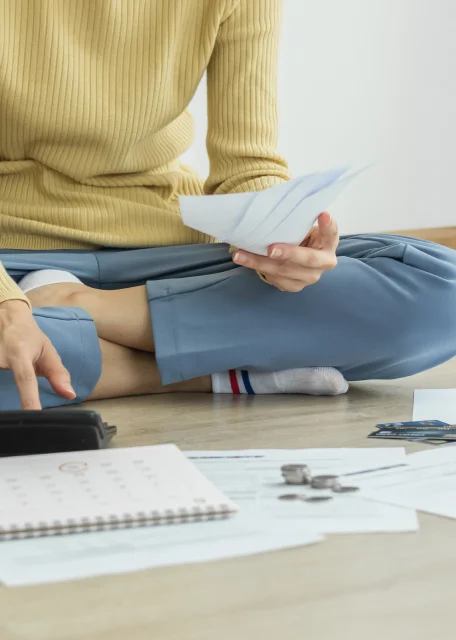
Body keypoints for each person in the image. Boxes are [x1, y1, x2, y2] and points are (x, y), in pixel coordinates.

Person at [0, 0, 455, 411]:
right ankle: (188, 374)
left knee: (441, 291)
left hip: (164, 259)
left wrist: (284, 236)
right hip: (10, 259)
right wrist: (8, 301)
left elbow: (247, 164)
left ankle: (74, 312)